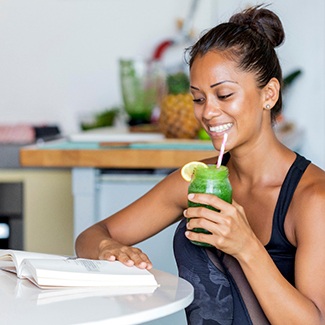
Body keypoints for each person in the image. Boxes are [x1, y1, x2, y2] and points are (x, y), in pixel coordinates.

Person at [75, 5, 325, 324]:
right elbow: (90, 236)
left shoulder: (313, 199)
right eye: (198, 98)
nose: (208, 112)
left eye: (223, 95)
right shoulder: (196, 181)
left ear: (270, 94)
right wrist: (109, 248)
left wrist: (245, 246)